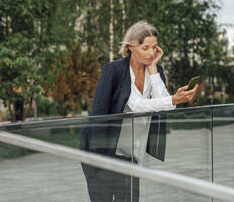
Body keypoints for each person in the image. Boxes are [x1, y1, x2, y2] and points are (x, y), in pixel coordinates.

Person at [79, 20, 198, 202]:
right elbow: (135, 106)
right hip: (101, 151)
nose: (151, 53)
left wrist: (153, 69)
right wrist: (173, 99)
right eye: (145, 48)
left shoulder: (155, 70)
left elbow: (163, 105)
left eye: (155, 47)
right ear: (131, 47)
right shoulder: (114, 70)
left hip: (131, 154)